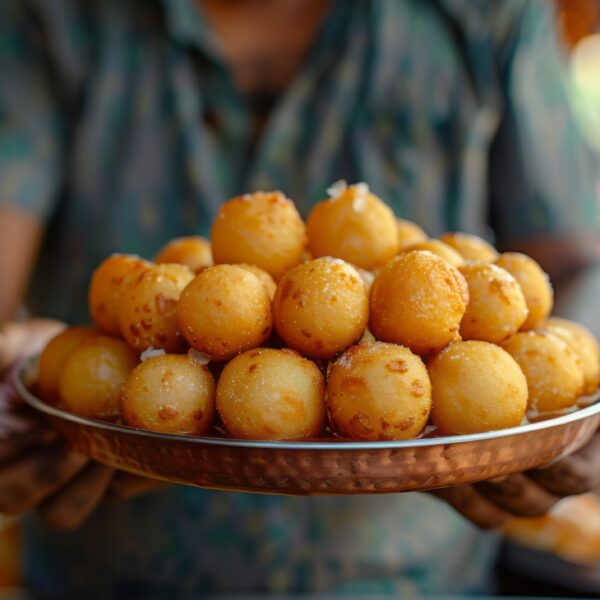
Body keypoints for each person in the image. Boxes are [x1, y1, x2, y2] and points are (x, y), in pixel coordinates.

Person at [1, 0, 600, 596]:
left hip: (408, 577)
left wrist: (577, 410)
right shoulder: (47, 18)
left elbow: (577, 262)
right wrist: (13, 365)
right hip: (112, 572)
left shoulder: (489, 13)